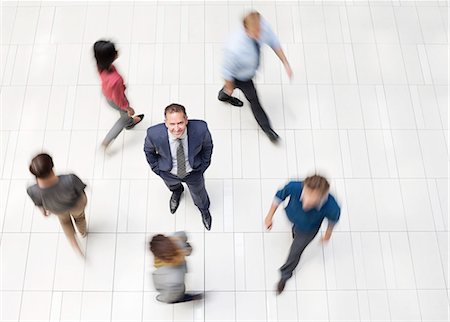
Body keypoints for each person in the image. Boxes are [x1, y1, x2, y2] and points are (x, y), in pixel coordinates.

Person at [218, 11, 293, 143]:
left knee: (228, 89)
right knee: (254, 100)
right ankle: (268, 129)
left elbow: (274, 42)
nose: (260, 36)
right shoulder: (234, 47)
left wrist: (285, 63)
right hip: (241, 77)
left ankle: (223, 95)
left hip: (248, 72)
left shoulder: (261, 27)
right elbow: (226, 72)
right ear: (245, 29)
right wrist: (230, 86)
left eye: (260, 31)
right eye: (255, 33)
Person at [264, 175, 341, 294]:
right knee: (295, 232)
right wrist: (269, 216)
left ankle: (285, 274)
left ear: (323, 196)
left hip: (308, 230)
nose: (307, 202)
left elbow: (332, 221)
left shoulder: (332, 207)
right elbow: (279, 196)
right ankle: (295, 234)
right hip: (294, 219)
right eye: (306, 195)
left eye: (313, 200)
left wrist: (327, 235)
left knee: (295, 251)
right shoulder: (294, 186)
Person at [144, 104, 213, 230]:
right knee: (173, 186)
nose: (176, 128)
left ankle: (204, 210)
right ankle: (177, 192)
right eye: (172, 124)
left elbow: (207, 146)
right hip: (168, 172)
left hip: (193, 171)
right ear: (165, 123)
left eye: (180, 123)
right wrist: (158, 170)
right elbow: (149, 152)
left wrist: (203, 166)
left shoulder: (200, 129)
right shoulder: (153, 134)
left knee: (199, 193)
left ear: (186, 120)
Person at [26, 153, 88, 256]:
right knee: (80, 218)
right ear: (52, 167)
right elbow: (81, 188)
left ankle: (73, 242)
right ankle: (82, 232)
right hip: (76, 205)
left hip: (56, 208)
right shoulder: (70, 179)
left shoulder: (32, 190)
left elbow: (39, 203)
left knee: (65, 222)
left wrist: (43, 212)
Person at [93, 40, 144, 149]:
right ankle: (108, 140)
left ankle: (129, 123)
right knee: (124, 117)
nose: (117, 51)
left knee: (124, 114)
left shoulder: (100, 66)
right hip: (115, 99)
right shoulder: (116, 80)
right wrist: (128, 108)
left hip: (107, 93)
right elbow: (119, 99)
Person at [149, 232, 203, 303]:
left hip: (174, 287)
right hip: (178, 279)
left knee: (178, 293)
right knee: (178, 291)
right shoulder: (176, 239)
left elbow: (168, 296)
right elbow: (182, 235)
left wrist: (162, 298)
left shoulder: (166, 275)